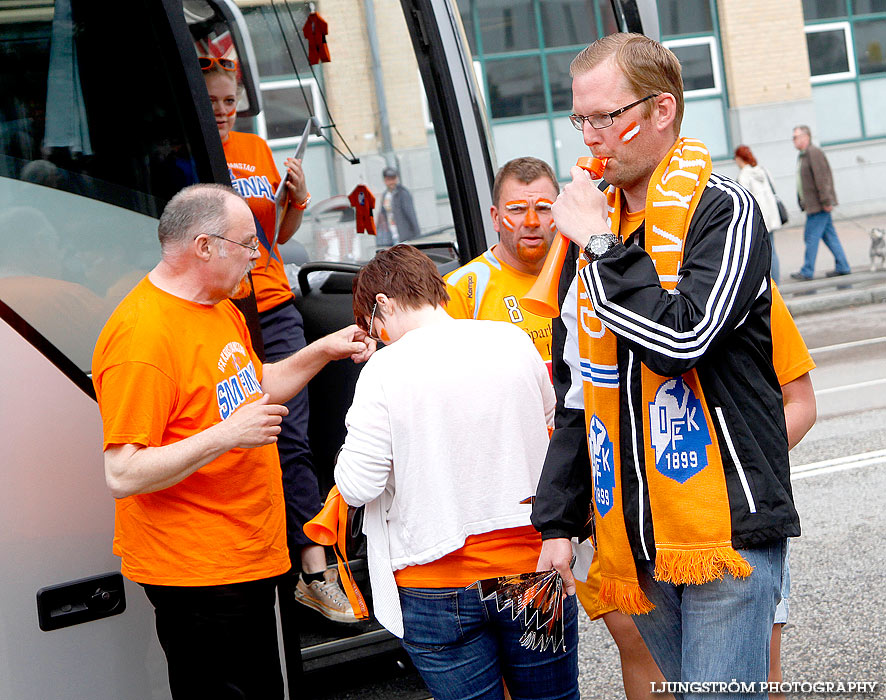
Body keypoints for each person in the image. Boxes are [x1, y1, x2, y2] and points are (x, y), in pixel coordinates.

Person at [531, 33, 800, 700]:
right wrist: (559, 524)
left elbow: (683, 341)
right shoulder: (595, 229)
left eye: (607, 116)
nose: (592, 136)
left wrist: (600, 244)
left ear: (662, 112)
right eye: (580, 118)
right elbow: (577, 394)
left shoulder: (724, 209)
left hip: (723, 529)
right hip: (637, 533)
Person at [91, 184, 373, 699]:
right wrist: (226, 436)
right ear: (205, 246)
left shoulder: (217, 306)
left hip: (247, 555)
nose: (259, 257)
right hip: (197, 572)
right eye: (248, 243)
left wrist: (322, 351)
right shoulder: (142, 339)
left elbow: (250, 386)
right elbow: (123, 472)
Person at [334, 245, 579, 700]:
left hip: (436, 585)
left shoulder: (384, 368)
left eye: (372, 323)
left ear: (382, 305)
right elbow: (553, 428)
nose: (377, 334)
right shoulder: (512, 340)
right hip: (532, 566)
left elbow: (357, 484)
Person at [202, 57, 357, 621]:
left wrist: (294, 199)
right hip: (225, 307)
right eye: (211, 100)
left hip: (273, 300)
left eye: (228, 102)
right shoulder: (191, 147)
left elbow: (272, 237)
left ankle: (313, 566)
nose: (220, 112)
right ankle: (292, 565)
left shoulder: (254, 147)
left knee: (294, 434)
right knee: (253, 439)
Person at [444, 156, 558, 372]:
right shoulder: (458, 289)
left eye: (544, 208)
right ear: (495, 218)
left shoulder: (583, 274)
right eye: (516, 210)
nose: (531, 222)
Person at [789, 125, 850, 280]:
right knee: (829, 236)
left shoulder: (813, 153)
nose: (793, 140)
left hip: (819, 205)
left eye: (795, 137)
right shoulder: (803, 155)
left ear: (805, 137)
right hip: (813, 204)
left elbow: (822, 179)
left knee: (811, 237)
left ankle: (807, 271)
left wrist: (827, 200)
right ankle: (843, 266)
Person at [735, 145, 782, 284]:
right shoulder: (763, 171)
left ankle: (767, 285)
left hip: (758, 218)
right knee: (772, 250)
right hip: (771, 216)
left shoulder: (744, 175)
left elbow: (744, 198)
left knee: (759, 253)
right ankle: (776, 284)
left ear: (739, 158)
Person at [376, 166, 420, 246]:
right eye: (389, 180)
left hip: (404, 236)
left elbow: (411, 214)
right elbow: (383, 216)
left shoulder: (402, 193)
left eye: (393, 179)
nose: (392, 182)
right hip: (391, 236)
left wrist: (417, 235)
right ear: (385, 180)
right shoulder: (385, 195)